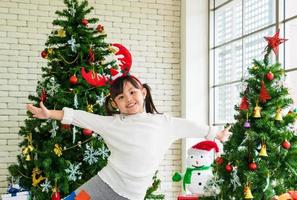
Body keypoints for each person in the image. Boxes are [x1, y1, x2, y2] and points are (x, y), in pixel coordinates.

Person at [26, 75, 231, 200]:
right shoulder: (113, 124)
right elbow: (82, 117)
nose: (128, 99)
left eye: (132, 92)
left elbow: (190, 126)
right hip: (103, 184)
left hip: (133, 196)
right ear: (115, 104)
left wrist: (215, 133)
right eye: (121, 97)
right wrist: (50, 114)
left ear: (143, 93)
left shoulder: (163, 123)